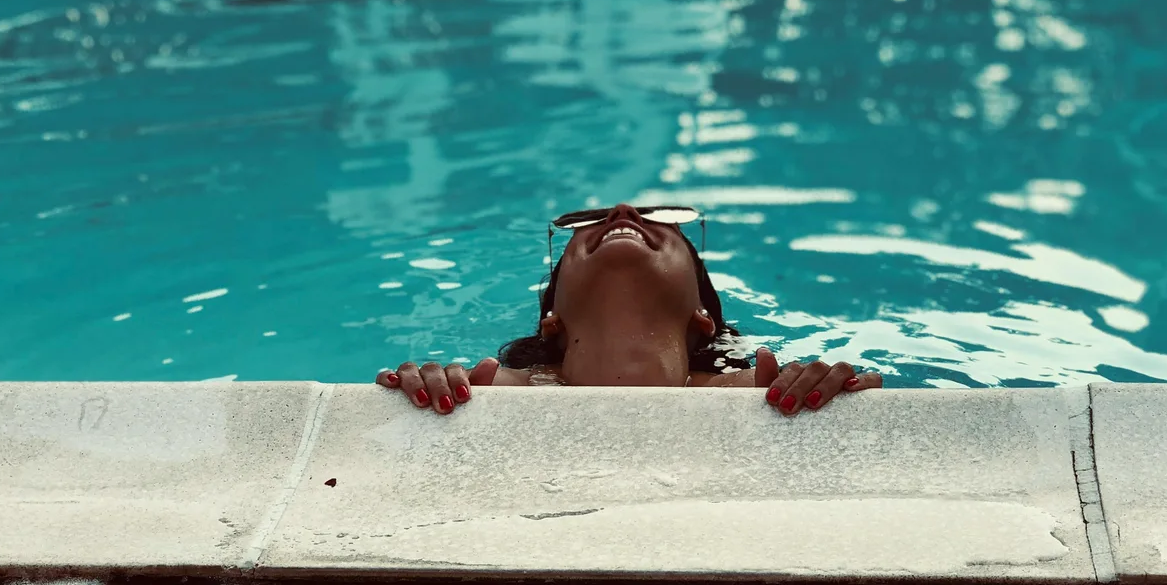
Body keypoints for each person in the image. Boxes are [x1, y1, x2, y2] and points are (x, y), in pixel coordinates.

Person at [376, 202, 882, 415]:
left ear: (703, 315)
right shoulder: (482, 389)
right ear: (551, 319)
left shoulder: (767, 391)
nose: (623, 212)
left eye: (661, 218)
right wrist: (422, 391)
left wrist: (834, 391)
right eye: (591, 219)